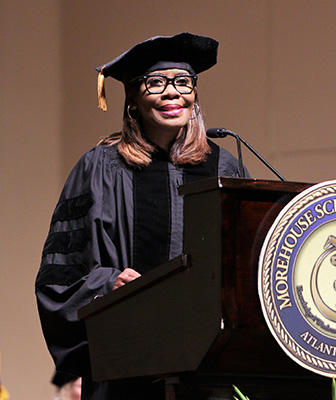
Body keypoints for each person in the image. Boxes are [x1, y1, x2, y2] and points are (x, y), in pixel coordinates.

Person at [35, 32, 247, 400]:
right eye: (155, 83)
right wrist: (106, 284)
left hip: (207, 369)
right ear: (132, 97)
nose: (172, 93)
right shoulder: (100, 167)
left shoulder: (223, 167)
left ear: (195, 95)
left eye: (183, 82)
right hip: (126, 364)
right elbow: (60, 271)